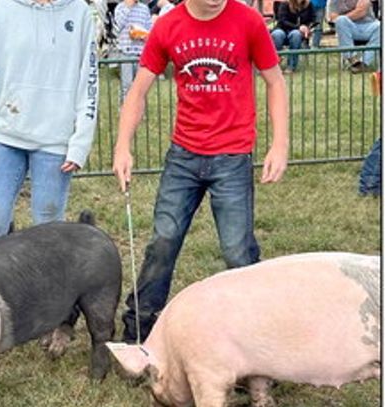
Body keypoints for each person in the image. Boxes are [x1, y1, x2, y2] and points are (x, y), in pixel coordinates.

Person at [113, 0, 288, 343]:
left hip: (233, 156)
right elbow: (138, 89)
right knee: (163, 241)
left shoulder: (249, 21)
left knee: (238, 251)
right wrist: (122, 145)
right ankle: (140, 329)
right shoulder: (167, 26)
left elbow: (275, 81)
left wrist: (279, 143)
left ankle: (257, 337)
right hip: (184, 156)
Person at [0, 0, 98, 247]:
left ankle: (48, 285)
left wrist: (81, 142)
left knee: (47, 233)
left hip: (55, 142)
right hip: (4, 137)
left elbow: (89, 81)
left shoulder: (79, 12)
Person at [114, 0, 152, 103]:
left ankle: (140, 112)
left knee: (140, 86)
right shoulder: (120, 8)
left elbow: (150, 29)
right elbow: (117, 26)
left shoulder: (144, 9)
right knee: (126, 85)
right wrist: (128, 7)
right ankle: (124, 110)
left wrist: (144, 35)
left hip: (140, 53)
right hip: (126, 52)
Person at [329, 0, 380, 73]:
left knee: (381, 27)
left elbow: (361, 12)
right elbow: (333, 18)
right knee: (341, 21)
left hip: (369, 25)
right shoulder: (334, 1)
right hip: (349, 28)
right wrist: (345, 19)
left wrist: (344, 18)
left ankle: (363, 63)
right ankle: (352, 58)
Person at [271, 0, 315, 73]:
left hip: (297, 33)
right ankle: (275, 64)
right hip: (282, 29)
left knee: (296, 34)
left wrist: (307, 27)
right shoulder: (285, 4)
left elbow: (314, 20)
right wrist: (298, 27)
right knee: (277, 34)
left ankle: (291, 66)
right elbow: (282, 20)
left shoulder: (309, 5)